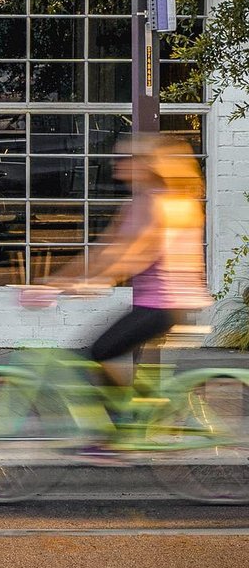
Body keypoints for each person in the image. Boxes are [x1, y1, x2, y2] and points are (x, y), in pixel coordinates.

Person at [20, 133, 211, 388]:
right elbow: (102, 251)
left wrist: (96, 280)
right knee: (122, 367)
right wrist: (55, 281)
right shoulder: (139, 203)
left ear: (146, 163)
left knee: (102, 351)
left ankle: (120, 413)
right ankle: (136, 409)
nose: (115, 162)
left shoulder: (164, 204)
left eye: (124, 157)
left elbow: (137, 254)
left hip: (166, 306)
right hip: (152, 305)